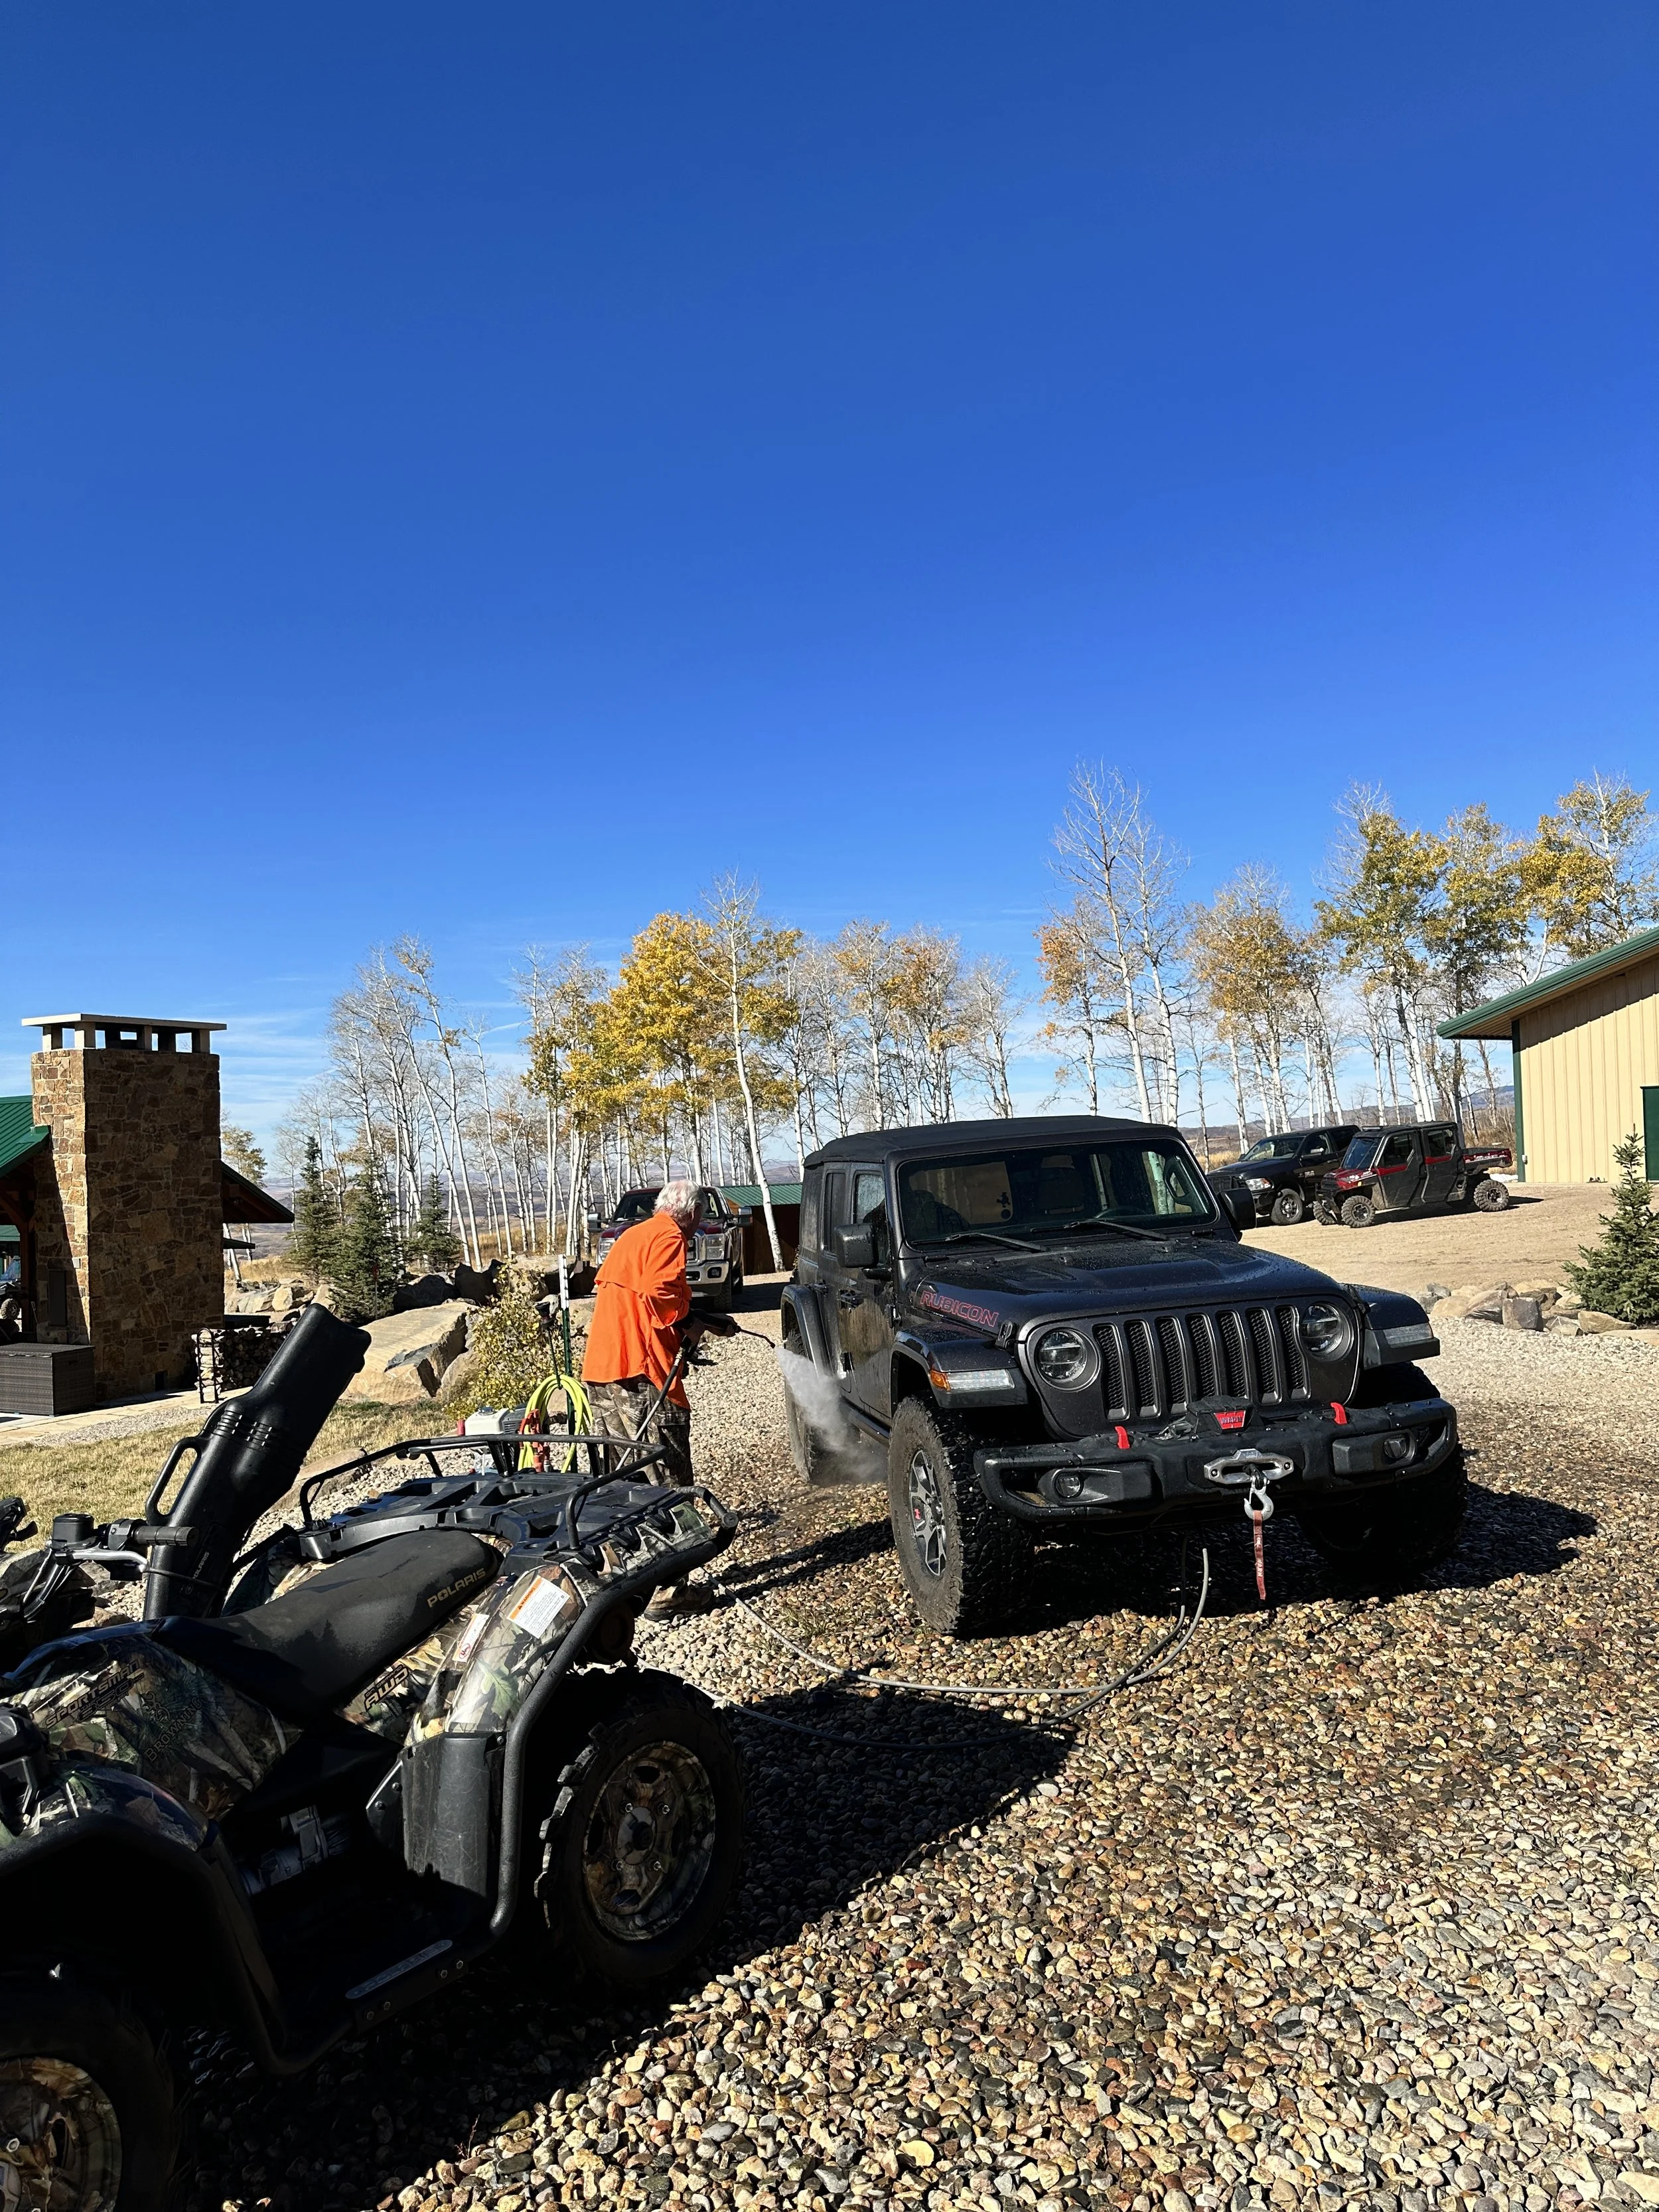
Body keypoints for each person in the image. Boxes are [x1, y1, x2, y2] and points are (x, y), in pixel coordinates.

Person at [581, 1179, 709, 1615]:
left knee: (622, 1482)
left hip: (602, 1373)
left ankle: (623, 1581)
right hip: (640, 1375)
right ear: (690, 1213)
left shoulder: (632, 1236)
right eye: (702, 1216)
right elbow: (661, 1293)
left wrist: (691, 1321)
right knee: (670, 1482)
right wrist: (689, 1320)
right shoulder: (670, 1235)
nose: (700, 1224)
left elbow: (639, 1301)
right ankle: (669, 1591)